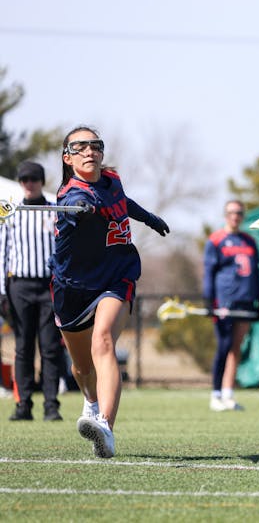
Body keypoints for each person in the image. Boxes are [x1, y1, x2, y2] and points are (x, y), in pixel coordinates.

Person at [52, 125, 169, 458]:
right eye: (80, 147)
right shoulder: (70, 197)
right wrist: (82, 210)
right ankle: (90, 401)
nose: (89, 151)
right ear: (67, 158)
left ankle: (105, 427)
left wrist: (147, 217)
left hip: (117, 275)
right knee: (81, 367)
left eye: (95, 145)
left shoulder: (112, 180)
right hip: (72, 286)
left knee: (103, 341)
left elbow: (120, 201)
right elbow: (75, 208)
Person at [1, 161, 65, 421]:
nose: (29, 184)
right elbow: (2, 252)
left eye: (34, 179)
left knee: (50, 347)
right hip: (19, 286)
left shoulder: (55, 211)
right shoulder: (11, 211)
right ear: (20, 182)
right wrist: (2, 291)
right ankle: (23, 404)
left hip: (49, 286)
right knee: (23, 347)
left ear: (41, 181)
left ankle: (51, 405)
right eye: (24, 179)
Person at [203, 200, 259, 412]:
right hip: (224, 301)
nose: (235, 216)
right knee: (224, 346)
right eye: (231, 212)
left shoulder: (249, 241)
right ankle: (216, 394)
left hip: (245, 300)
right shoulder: (216, 240)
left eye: (239, 212)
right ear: (225, 215)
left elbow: (256, 273)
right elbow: (209, 272)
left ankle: (228, 393)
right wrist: (209, 300)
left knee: (236, 348)